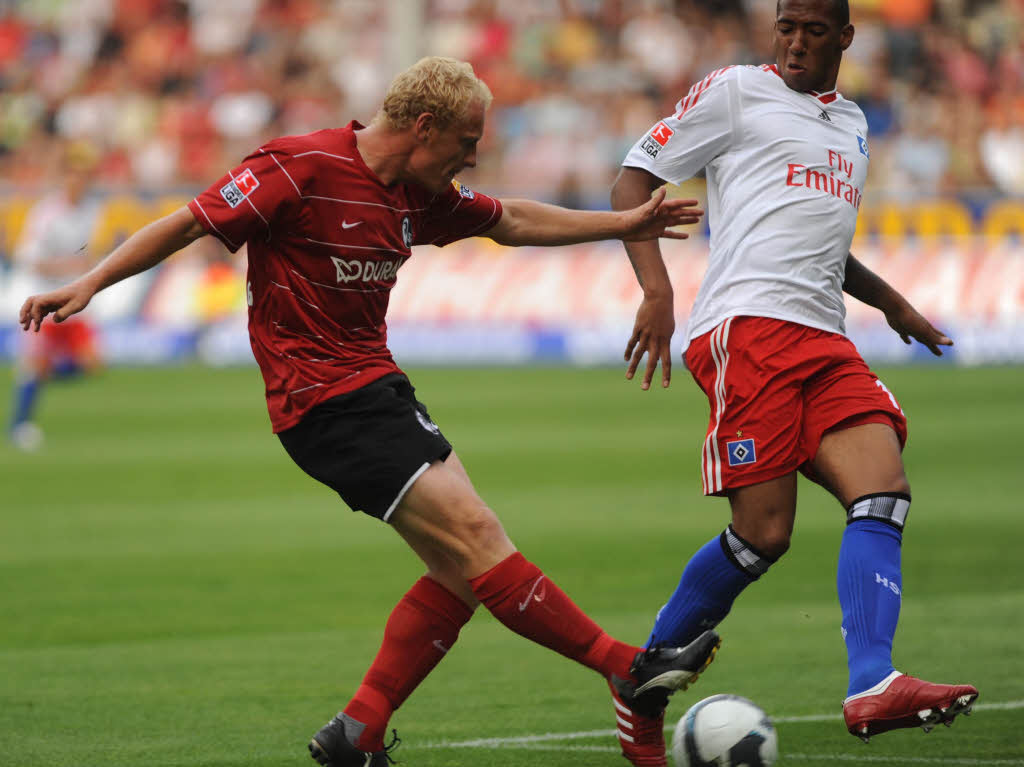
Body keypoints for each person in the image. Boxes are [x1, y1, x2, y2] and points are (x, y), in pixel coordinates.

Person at [21, 56, 718, 767]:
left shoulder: (421, 191)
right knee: (479, 535)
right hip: (320, 401)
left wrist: (625, 221)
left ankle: (358, 728)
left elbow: (511, 219)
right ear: (423, 127)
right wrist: (92, 280)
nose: (473, 157)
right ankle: (627, 670)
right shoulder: (299, 167)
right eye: (466, 141)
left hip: (376, 388)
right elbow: (188, 222)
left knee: (462, 571)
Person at [608, 1, 979, 765]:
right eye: (786, 27)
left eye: (814, 29)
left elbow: (815, 236)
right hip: (748, 327)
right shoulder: (737, 91)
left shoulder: (852, 124)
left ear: (845, 37)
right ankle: (639, 676)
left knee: (883, 488)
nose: (796, 42)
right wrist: (656, 290)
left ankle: (872, 680)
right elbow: (632, 178)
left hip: (823, 334)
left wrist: (892, 301)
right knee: (764, 534)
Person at [8, 141, 103, 450]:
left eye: (83, 176)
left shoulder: (91, 211)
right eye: (74, 176)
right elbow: (28, 256)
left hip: (74, 299)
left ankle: (43, 373)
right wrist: (69, 264)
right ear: (65, 179)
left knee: (92, 364)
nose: (79, 182)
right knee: (33, 365)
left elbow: (89, 254)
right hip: (44, 298)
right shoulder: (46, 213)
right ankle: (20, 425)